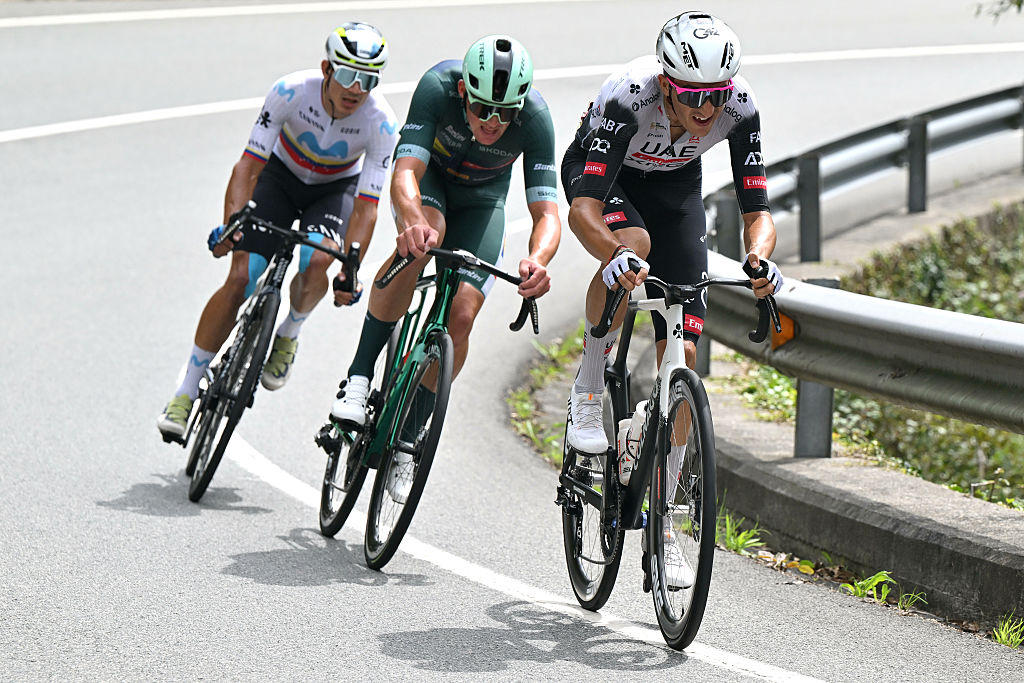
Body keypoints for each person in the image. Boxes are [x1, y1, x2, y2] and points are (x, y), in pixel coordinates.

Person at [330, 34, 560, 497]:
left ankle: (409, 437)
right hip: (430, 185)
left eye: (505, 112)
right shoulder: (437, 85)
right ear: (463, 95)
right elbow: (406, 172)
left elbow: (547, 215)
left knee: (462, 314)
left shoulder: (535, 120)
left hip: (483, 203)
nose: (493, 122)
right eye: (481, 109)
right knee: (422, 242)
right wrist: (412, 221)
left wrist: (537, 260)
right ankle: (357, 379)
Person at [157, 22, 399, 441]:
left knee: (320, 258)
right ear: (326, 69)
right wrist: (233, 223)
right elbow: (248, 166)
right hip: (279, 178)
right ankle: (184, 390)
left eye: (369, 79)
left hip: (333, 190)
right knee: (240, 278)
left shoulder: (381, 123)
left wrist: (352, 265)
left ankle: (290, 329)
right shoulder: (290, 91)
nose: (356, 88)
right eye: (347, 75)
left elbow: (366, 205)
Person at [561, 11, 784, 456]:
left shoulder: (741, 107)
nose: (706, 109)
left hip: (676, 184)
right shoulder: (630, 97)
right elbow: (583, 211)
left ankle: (670, 498)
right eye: (692, 94)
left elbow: (757, 212)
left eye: (716, 94)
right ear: (666, 85)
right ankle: (587, 391)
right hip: (608, 176)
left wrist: (760, 258)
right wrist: (613, 253)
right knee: (635, 246)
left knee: (684, 353)